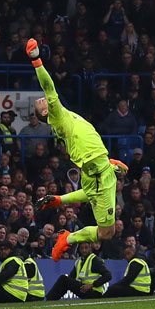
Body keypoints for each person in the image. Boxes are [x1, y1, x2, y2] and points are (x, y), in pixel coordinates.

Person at [27, 38, 127, 261]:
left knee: (106, 227)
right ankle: (68, 239)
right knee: (107, 233)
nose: (43, 99)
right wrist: (36, 61)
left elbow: (88, 192)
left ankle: (108, 165)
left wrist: (60, 199)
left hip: (97, 173)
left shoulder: (61, 114)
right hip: (100, 172)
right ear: (44, 113)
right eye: (40, 103)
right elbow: (48, 85)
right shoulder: (57, 116)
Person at [46, 242, 112, 300]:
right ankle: (51, 299)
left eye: (86, 248)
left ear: (90, 248)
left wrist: (92, 285)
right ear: (79, 249)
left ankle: (49, 299)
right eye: (82, 248)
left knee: (64, 279)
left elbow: (108, 275)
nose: (84, 250)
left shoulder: (95, 260)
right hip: (84, 290)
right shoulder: (79, 261)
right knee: (64, 280)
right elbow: (71, 278)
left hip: (94, 292)